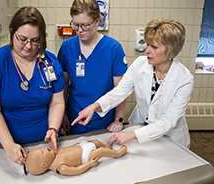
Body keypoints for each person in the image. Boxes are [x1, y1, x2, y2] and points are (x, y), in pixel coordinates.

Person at [72, 18, 194, 148]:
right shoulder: (140, 64)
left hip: (171, 136)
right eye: (147, 44)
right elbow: (120, 92)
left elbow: (167, 122)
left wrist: (131, 135)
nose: (147, 50)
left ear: (171, 50)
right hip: (140, 124)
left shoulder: (184, 79)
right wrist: (94, 107)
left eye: (154, 47)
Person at [0, 6, 65, 165]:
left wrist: (53, 129)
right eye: (22, 39)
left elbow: (57, 102)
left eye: (35, 40)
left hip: (43, 144)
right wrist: (9, 145)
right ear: (12, 32)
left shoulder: (50, 63)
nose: (28, 46)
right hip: (5, 147)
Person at [58, 0, 128, 135]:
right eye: (76, 25)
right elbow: (63, 84)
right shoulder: (67, 47)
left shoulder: (113, 48)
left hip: (104, 120)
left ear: (97, 21)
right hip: (75, 118)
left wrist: (118, 119)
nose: (79, 30)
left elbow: (120, 90)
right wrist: (63, 113)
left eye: (85, 25)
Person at [25, 140, 127, 175]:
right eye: (42, 152)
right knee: (101, 151)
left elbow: (67, 150)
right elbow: (77, 170)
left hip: (81, 147)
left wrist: (75, 145)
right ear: (44, 164)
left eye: (40, 148)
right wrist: (89, 164)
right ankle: (117, 153)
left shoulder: (54, 153)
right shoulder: (60, 167)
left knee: (96, 142)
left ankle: (106, 146)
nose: (43, 148)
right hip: (85, 156)